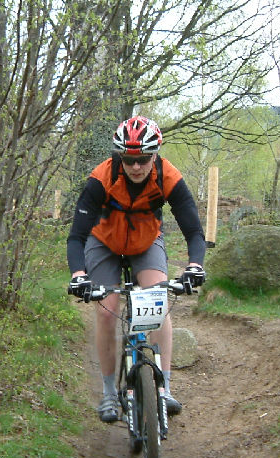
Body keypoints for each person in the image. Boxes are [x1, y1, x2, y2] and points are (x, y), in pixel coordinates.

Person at [66, 115, 207, 423]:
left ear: (154, 154)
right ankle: (108, 393)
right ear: (120, 156)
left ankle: (164, 388)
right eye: (129, 159)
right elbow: (76, 236)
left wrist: (195, 266)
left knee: (157, 300)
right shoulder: (101, 177)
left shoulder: (168, 176)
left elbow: (195, 232)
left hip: (145, 242)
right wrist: (79, 275)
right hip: (104, 242)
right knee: (106, 310)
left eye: (143, 159)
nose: (136, 167)